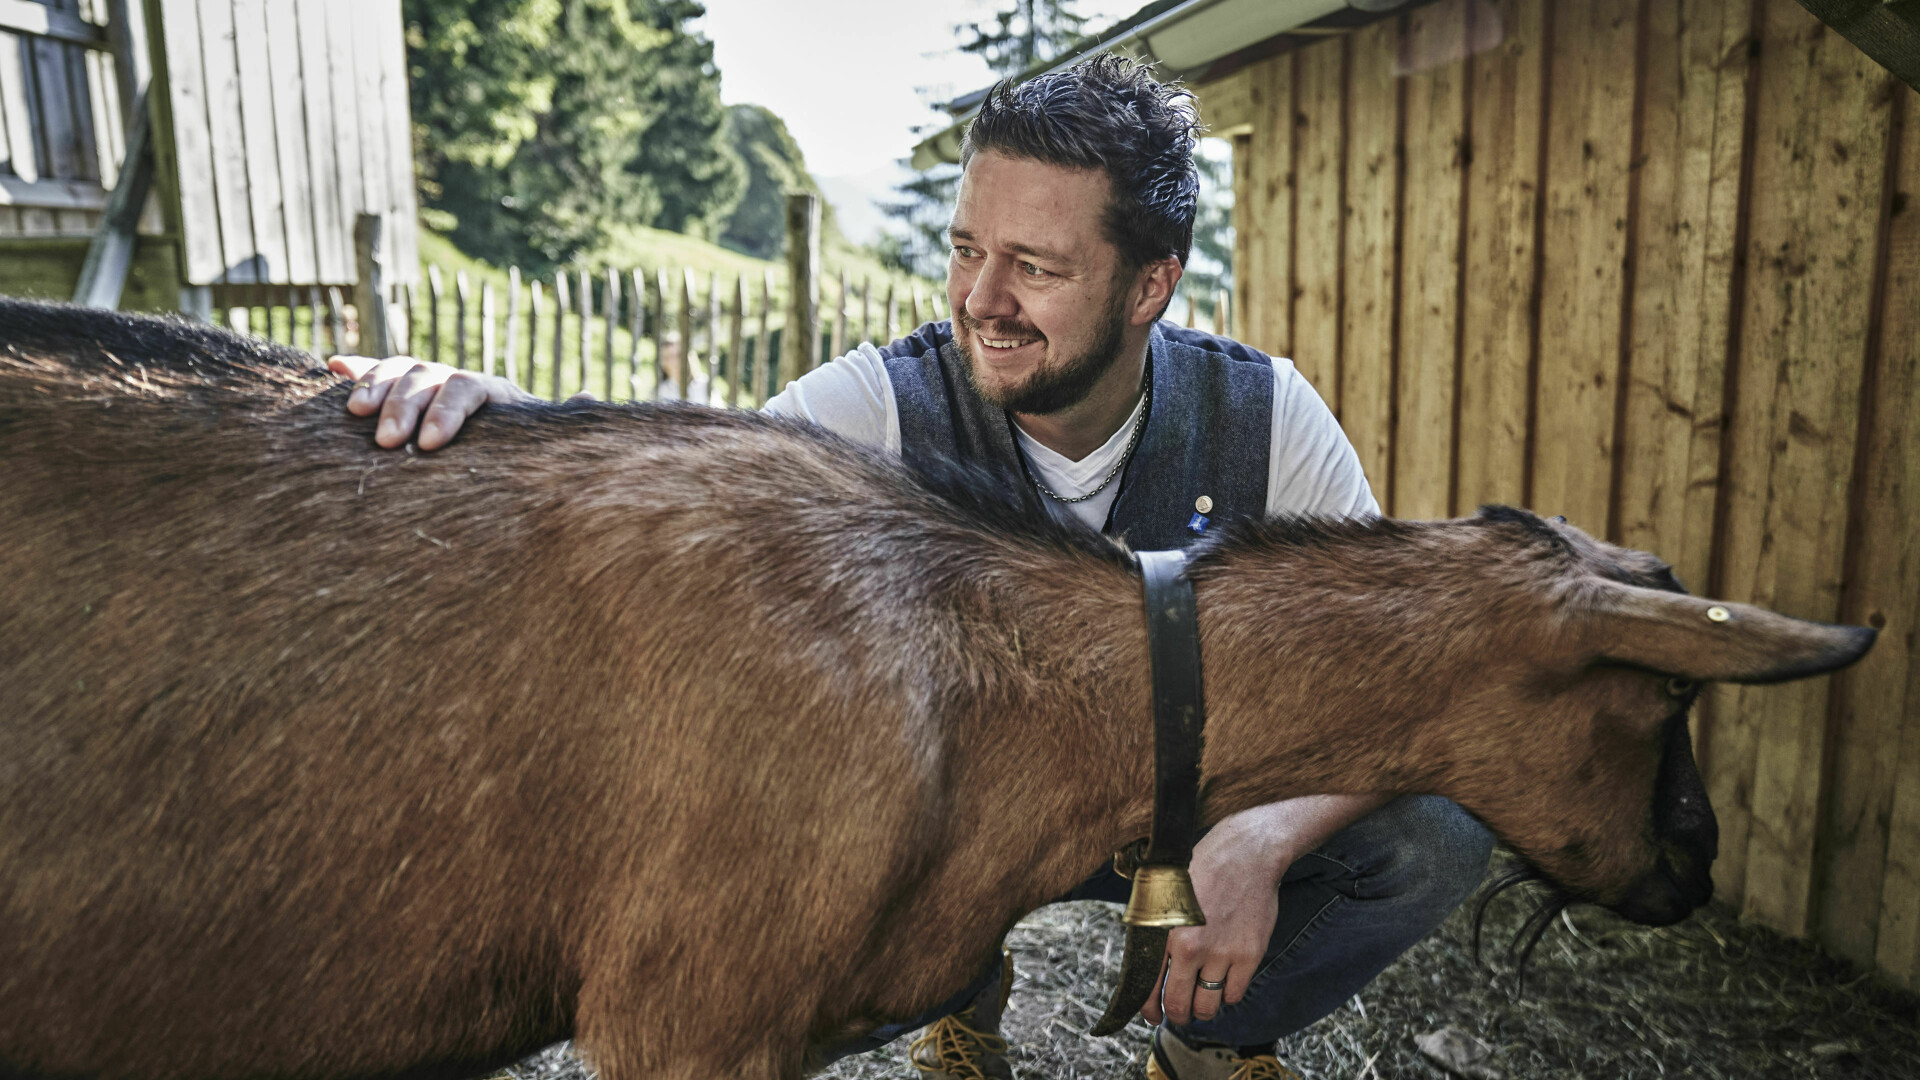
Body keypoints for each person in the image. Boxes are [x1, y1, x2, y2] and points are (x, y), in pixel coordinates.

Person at [330, 54, 1491, 1080]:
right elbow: (683, 485)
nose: (982, 301)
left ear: (1151, 284)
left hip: (1184, 807)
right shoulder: (876, 405)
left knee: (1435, 836)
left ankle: (1209, 1042)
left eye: (1034, 264)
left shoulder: (1267, 414)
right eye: (966, 249)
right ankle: (954, 992)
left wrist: (1265, 839)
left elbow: (1402, 680)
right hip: (947, 832)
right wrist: (509, 421)